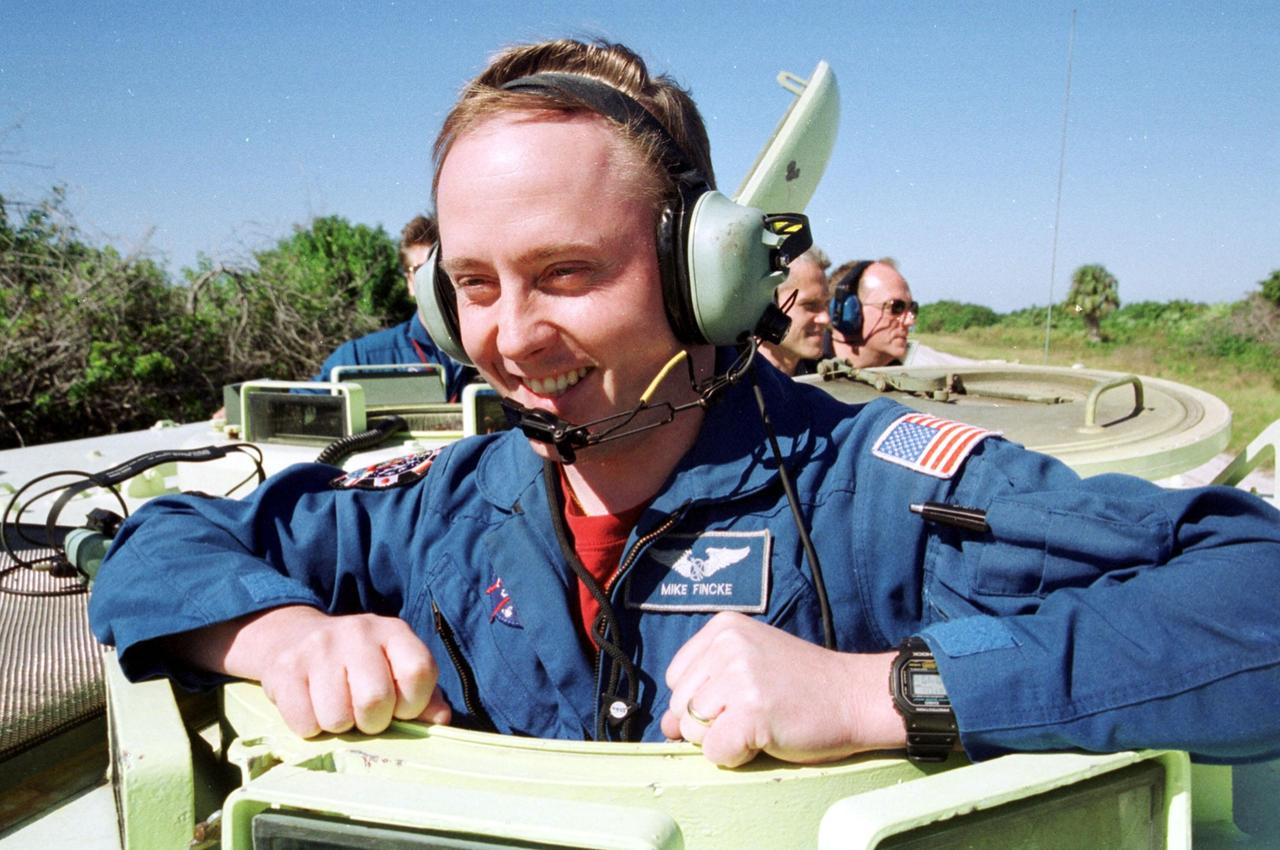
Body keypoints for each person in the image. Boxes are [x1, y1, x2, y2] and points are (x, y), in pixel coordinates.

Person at [89, 38, 1280, 770]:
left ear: (706, 276)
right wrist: (282, 636)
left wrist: (882, 692)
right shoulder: (439, 502)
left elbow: (1253, 594)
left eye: (566, 273)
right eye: (473, 288)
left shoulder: (881, 492)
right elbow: (155, 547)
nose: (511, 335)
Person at [313, 214, 475, 401]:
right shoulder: (360, 357)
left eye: (443, 270)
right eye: (423, 271)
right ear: (409, 283)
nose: (437, 281)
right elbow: (296, 411)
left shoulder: (501, 350)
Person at [826, 257, 918, 368]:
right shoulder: (802, 375)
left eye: (913, 308)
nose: (910, 321)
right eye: (896, 307)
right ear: (849, 311)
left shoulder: (904, 380)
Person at [759, 246, 830, 376]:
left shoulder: (828, 378)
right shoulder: (731, 387)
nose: (825, 319)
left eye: (826, 304)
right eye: (809, 305)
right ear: (766, 305)